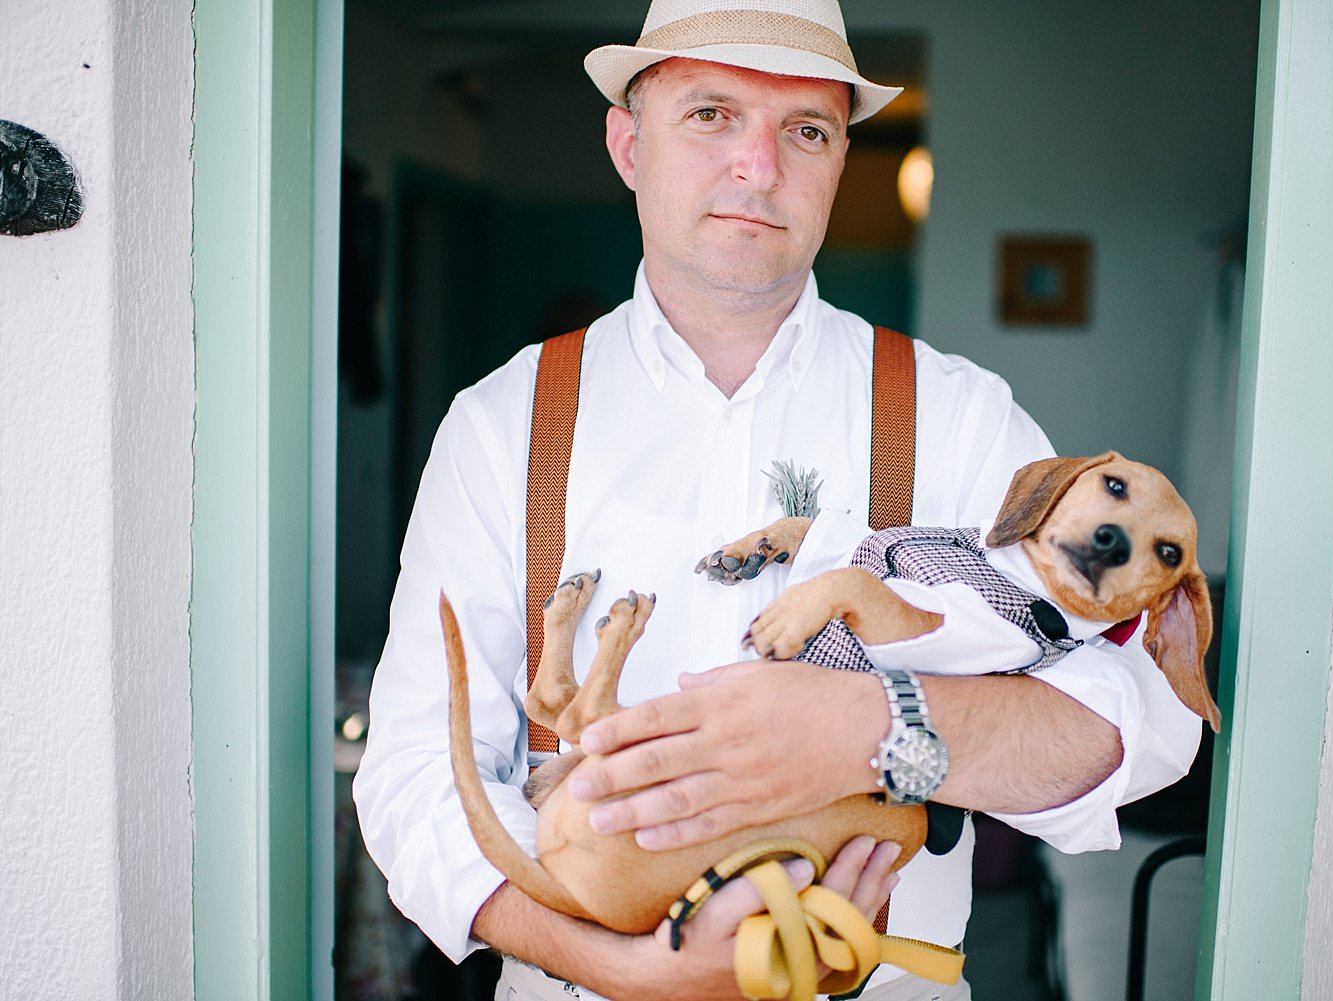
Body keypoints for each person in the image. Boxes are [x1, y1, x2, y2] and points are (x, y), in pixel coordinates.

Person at [353, 2, 1203, 999]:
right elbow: (414, 778)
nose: (760, 167)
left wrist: (864, 724)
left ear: (842, 159)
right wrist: (625, 968)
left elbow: (1133, 731)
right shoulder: (501, 428)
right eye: (712, 113)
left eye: (806, 129)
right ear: (628, 143)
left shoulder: (962, 417)